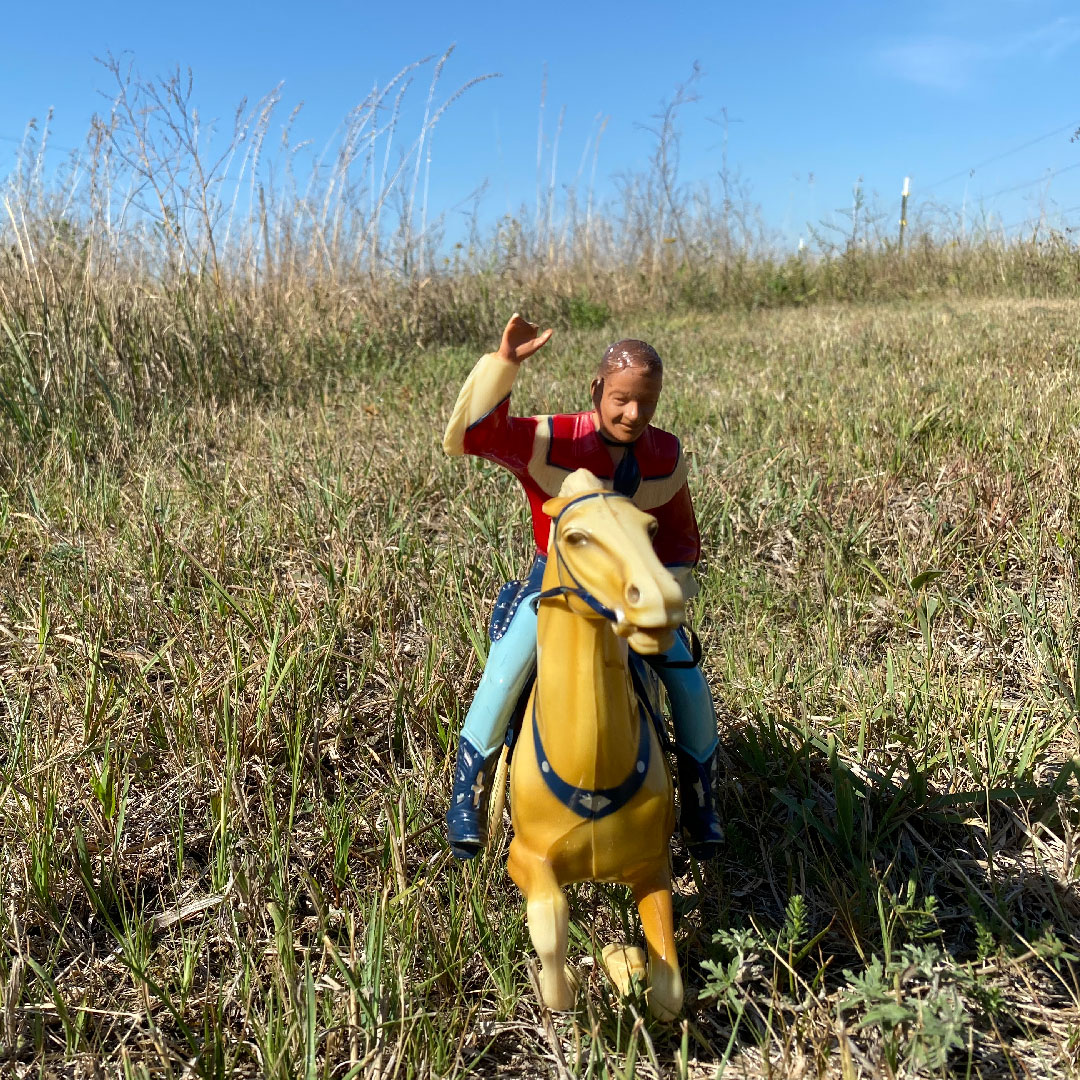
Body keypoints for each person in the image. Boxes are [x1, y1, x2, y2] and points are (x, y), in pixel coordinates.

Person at [443, 313, 723, 860]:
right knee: (505, 671)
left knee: (689, 684)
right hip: (556, 584)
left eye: (646, 402)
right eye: (621, 399)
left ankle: (700, 801)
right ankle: (468, 793)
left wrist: (662, 590)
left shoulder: (665, 455)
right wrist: (504, 365)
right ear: (597, 389)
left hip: (632, 592)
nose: (633, 414)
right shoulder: (554, 439)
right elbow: (475, 437)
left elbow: (681, 539)